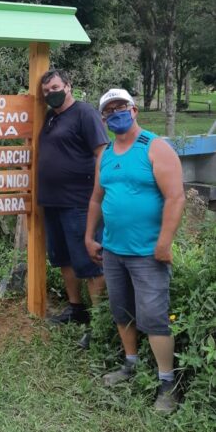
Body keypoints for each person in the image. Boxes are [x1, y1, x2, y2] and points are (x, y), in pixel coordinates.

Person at [85, 88, 185, 413]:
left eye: (121, 107)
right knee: (121, 310)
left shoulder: (155, 147)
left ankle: (167, 384)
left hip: (148, 253)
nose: (115, 113)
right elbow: (97, 199)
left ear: (134, 109)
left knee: (155, 317)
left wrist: (164, 242)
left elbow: (176, 197)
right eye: (109, 110)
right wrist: (89, 236)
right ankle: (130, 364)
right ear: (103, 118)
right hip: (113, 250)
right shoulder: (107, 154)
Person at [37, 69, 109, 329]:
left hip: (80, 202)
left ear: (68, 86)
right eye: (46, 91)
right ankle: (76, 308)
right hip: (53, 202)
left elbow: (102, 152)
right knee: (63, 257)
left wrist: (99, 191)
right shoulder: (49, 118)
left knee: (89, 258)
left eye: (55, 88)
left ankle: (100, 322)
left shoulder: (84, 113)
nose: (51, 94)